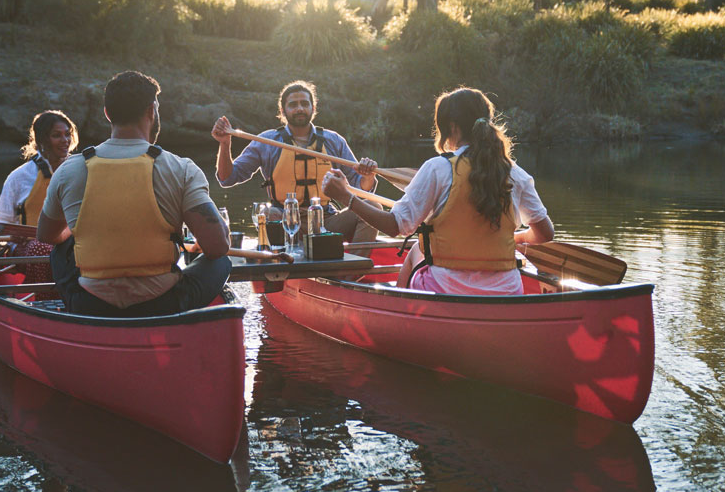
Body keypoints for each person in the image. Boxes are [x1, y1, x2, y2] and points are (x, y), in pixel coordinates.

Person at [322, 87, 554, 295]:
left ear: (452, 127)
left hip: (447, 290)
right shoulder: (516, 173)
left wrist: (346, 197)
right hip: (507, 291)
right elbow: (545, 233)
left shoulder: (438, 168)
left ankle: (401, 311)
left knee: (417, 249)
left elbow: (394, 226)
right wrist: (516, 238)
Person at [36, 71, 232, 317]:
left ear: (107, 114)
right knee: (222, 261)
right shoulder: (182, 169)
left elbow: (47, 234)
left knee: (60, 251)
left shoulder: (68, 170)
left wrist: (81, 232)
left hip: (90, 303)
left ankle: (79, 315)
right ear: (151, 111)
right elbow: (218, 247)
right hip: (163, 303)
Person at [211, 80, 380, 243]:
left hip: (325, 220)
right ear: (283, 110)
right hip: (284, 219)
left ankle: (353, 262)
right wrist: (225, 144)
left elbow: (360, 189)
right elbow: (227, 178)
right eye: (293, 105)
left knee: (373, 206)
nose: (299, 108)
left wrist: (368, 176)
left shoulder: (334, 141)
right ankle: (284, 257)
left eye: (304, 104)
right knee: (268, 213)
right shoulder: (266, 142)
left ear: (313, 108)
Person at [0, 110, 79, 227]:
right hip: (30, 238)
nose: (65, 140)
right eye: (56, 135)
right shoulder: (18, 177)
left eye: (67, 134)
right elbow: (1, 221)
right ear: (41, 140)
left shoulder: (80, 170)